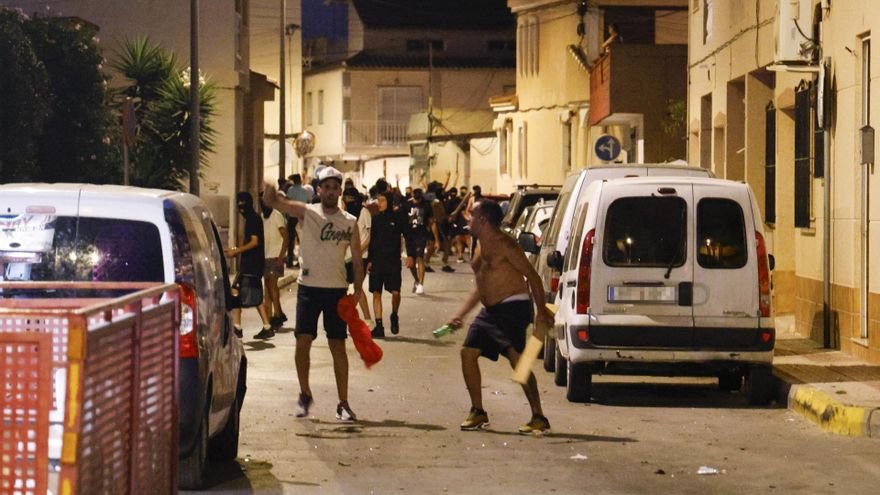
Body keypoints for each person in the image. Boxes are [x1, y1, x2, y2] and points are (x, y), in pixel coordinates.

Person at [262, 166, 365, 422]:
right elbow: (273, 201)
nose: (331, 192)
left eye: (335, 187)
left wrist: (358, 290)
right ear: (319, 190)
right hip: (309, 288)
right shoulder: (307, 213)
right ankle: (304, 393)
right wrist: (269, 185)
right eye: (326, 187)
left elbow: (358, 260)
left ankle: (343, 403)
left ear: (340, 190)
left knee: (338, 346)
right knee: (303, 341)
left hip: (337, 290)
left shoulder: (350, 221)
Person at [447, 199, 554, 434]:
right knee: (468, 353)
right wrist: (461, 315)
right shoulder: (480, 245)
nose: (468, 218)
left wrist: (543, 311)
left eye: (472, 215)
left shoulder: (505, 244)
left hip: (512, 308)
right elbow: (482, 286)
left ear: (483, 220)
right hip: (491, 311)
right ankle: (478, 411)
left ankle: (538, 416)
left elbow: (533, 277)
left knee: (519, 362)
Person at [226, 192, 273, 339]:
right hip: (252, 264)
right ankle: (264, 326)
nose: (240, 208)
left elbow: (254, 242)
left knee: (236, 291)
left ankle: (238, 327)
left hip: (251, 265)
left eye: (242, 204)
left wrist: (237, 251)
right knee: (252, 294)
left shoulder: (252, 219)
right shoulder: (253, 218)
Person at [368, 191, 410, 338]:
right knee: (376, 293)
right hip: (378, 261)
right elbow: (372, 241)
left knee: (396, 293)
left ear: (390, 202)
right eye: (378, 201)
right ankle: (379, 326)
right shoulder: (376, 219)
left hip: (392, 261)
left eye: (383, 200)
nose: (379, 203)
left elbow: (407, 235)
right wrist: (369, 261)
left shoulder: (398, 218)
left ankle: (394, 315)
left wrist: (410, 255)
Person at [261, 195, 289, 335]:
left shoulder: (276, 215)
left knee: (272, 285)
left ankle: (277, 315)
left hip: (275, 256)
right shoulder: (262, 216)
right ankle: (274, 316)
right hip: (265, 256)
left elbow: (286, 236)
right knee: (267, 288)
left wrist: (281, 256)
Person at [406, 188, 440, 295]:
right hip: (409, 236)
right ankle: (416, 279)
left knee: (420, 258)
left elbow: (432, 222)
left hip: (421, 236)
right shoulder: (407, 205)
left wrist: (436, 240)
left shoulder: (426, 206)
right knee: (411, 263)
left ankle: (421, 283)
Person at [285, 174, 310, 267]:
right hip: (302, 217)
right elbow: (307, 202)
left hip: (292, 216)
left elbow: (287, 201)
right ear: (300, 181)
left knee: (291, 239)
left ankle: (290, 261)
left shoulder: (291, 190)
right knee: (302, 239)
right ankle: (301, 261)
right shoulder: (304, 190)